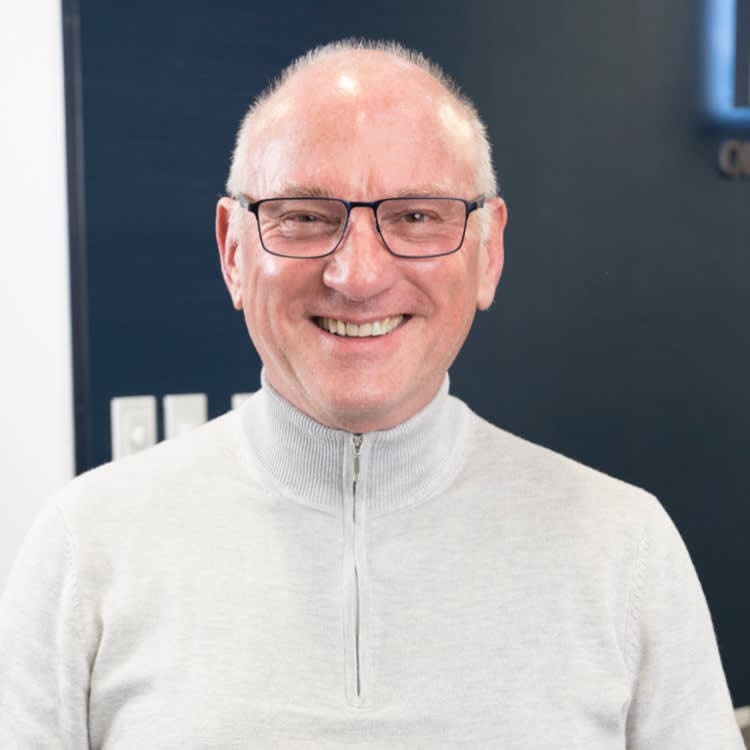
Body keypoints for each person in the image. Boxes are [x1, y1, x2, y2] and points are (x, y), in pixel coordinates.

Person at [0, 39, 743, 749]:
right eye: (304, 217)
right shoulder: (84, 550)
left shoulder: (625, 550)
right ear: (233, 251)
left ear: (489, 253)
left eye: (417, 216)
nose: (357, 276)